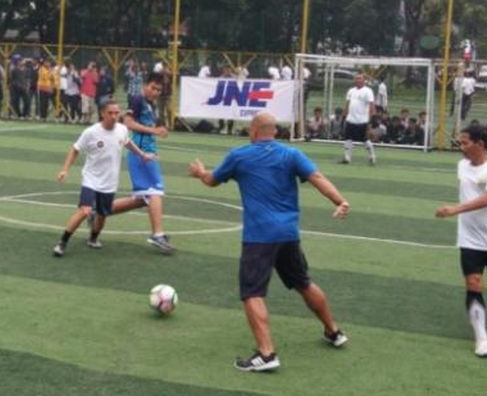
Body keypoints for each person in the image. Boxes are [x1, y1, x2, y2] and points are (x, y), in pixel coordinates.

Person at [187, 111, 350, 372]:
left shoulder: (239, 156)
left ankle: (266, 353)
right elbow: (317, 178)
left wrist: (199, 172)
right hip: (288, 233)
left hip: (259, 236)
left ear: (253, 130)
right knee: (303, 282)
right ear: (274, 131)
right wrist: (340, 201)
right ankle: (334, 331)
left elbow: (211, 181)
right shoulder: (291, 154)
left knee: (252, 292)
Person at [435, 125, 487, 358]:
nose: (461, 146)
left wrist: (455, 210)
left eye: (466, 142)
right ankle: (482, 337)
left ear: (480, 144)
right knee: (473, 284)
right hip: (469, 240)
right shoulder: (461, 166)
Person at [53, 100, 154, 257]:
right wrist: (64, 170)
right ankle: (62, 242)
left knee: (102, 214)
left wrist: (142, 155)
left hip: (110, 182)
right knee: (84, 210)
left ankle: (93, 238)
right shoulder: (91, 132)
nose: (114, 116)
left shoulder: (122, 129)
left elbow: (127, 142)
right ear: (102, 114)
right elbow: (75, 149)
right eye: (110, 113)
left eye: (116, 113)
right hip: (91, 179)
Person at [109, 73, 174, 253]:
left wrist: (159, 130)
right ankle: (157, 235)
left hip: (148, 153)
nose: (155, 92)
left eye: (159, 90)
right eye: (153, 88)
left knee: (143, 199)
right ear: (145, 85)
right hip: (140, 154)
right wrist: (153, 130)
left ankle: (99, 210)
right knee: (155, 191)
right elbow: (127, 122)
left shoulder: (151, 105)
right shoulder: (137, 100)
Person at [341, 73, 376, 165]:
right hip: (350, 119)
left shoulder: (368, 91)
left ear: (364, 80)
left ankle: (372, 156)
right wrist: (344, 116)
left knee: (364, 140)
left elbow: (372, 106)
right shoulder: (351, 91)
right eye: (356, 79)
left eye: (360, 78)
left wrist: (370, 120)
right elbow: (347, 104)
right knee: (348, 138)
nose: (357, 80)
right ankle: (347, 157)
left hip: (362, 120)